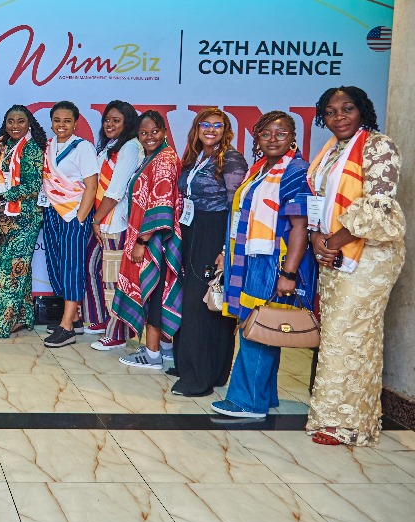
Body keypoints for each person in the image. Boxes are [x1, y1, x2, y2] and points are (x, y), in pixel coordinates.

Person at [305, 87, 405, 446]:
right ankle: (350, 419)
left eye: (347, 109)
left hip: (369, 256)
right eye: (331, 112)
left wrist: (331, 241)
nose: (339, 117)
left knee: (350, 333)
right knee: (343, 335)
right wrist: (317, 238)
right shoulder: (331, 150)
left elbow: (378, 207)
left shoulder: (379, 147)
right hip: (334, 250)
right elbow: (318, 201)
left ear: (362, 110)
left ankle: (344, 425)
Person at [211, 111, 316, 419]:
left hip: (273, 263)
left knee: (257, 327)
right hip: (251, 260)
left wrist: (289, 273)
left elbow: (300, 226)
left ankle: (247, 402)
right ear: (257, 138)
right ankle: (265, 397)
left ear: (292, 137)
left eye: (281, 134)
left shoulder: (296, 170)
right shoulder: (260, 168)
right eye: (266, 134)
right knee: (265, 326)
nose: (273, 139)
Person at [170, 108, 247, 397]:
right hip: (192, 230)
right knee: (190, 300)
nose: (211, 130)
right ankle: (189, 365)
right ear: (197, 128)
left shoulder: (231, 159)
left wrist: (227, 249)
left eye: (218, 125)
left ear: (226, 131)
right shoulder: (196, 156)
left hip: (215, 232)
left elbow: (237, 207)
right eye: (205, 124)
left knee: (203, 303)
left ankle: (201, 377)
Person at [111, 111, 183, 369]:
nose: (149, 137)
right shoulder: (156, 156)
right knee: (157, 292)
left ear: (164, 131)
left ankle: (152, 354)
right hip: (151, 238)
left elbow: (160, 205)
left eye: (154, 131)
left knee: (154, 292)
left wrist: (142, 242)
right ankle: (165, 348)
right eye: (144, 133)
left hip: (155, 242)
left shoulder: (164, 160)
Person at [0, 105, 47, 338]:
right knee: (19, 270)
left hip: (25, 219)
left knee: (9, 272)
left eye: (21, 121)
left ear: (29, 124)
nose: (15, 125)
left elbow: (33, 186)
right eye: (11, 121)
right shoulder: (6, 146)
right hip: (5, 218)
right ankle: (22, 318)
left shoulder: (32, 149)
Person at [41, 101, 100, 348]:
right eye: (57, 120)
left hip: (74, 214)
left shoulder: (83, 147)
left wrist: (80, 218)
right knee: (56, 265)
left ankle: (66, 327)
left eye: (67, 121)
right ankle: (74, 318)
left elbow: (92, 186)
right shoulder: (49, 146)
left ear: (75, 123)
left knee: (71, 267)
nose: (61, 125)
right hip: (52, 212)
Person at [87, 101, 142, 351]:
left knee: (113, 280)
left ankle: (117, 333)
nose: (109, 124)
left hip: (115, 222)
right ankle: (101, 320)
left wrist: (97, 219)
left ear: (127, 123)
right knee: (92, 269)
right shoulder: (111, 146)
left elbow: (116, 191)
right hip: (102, 219)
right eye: (107, 120)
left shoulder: (130, 147)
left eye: (116, 120)